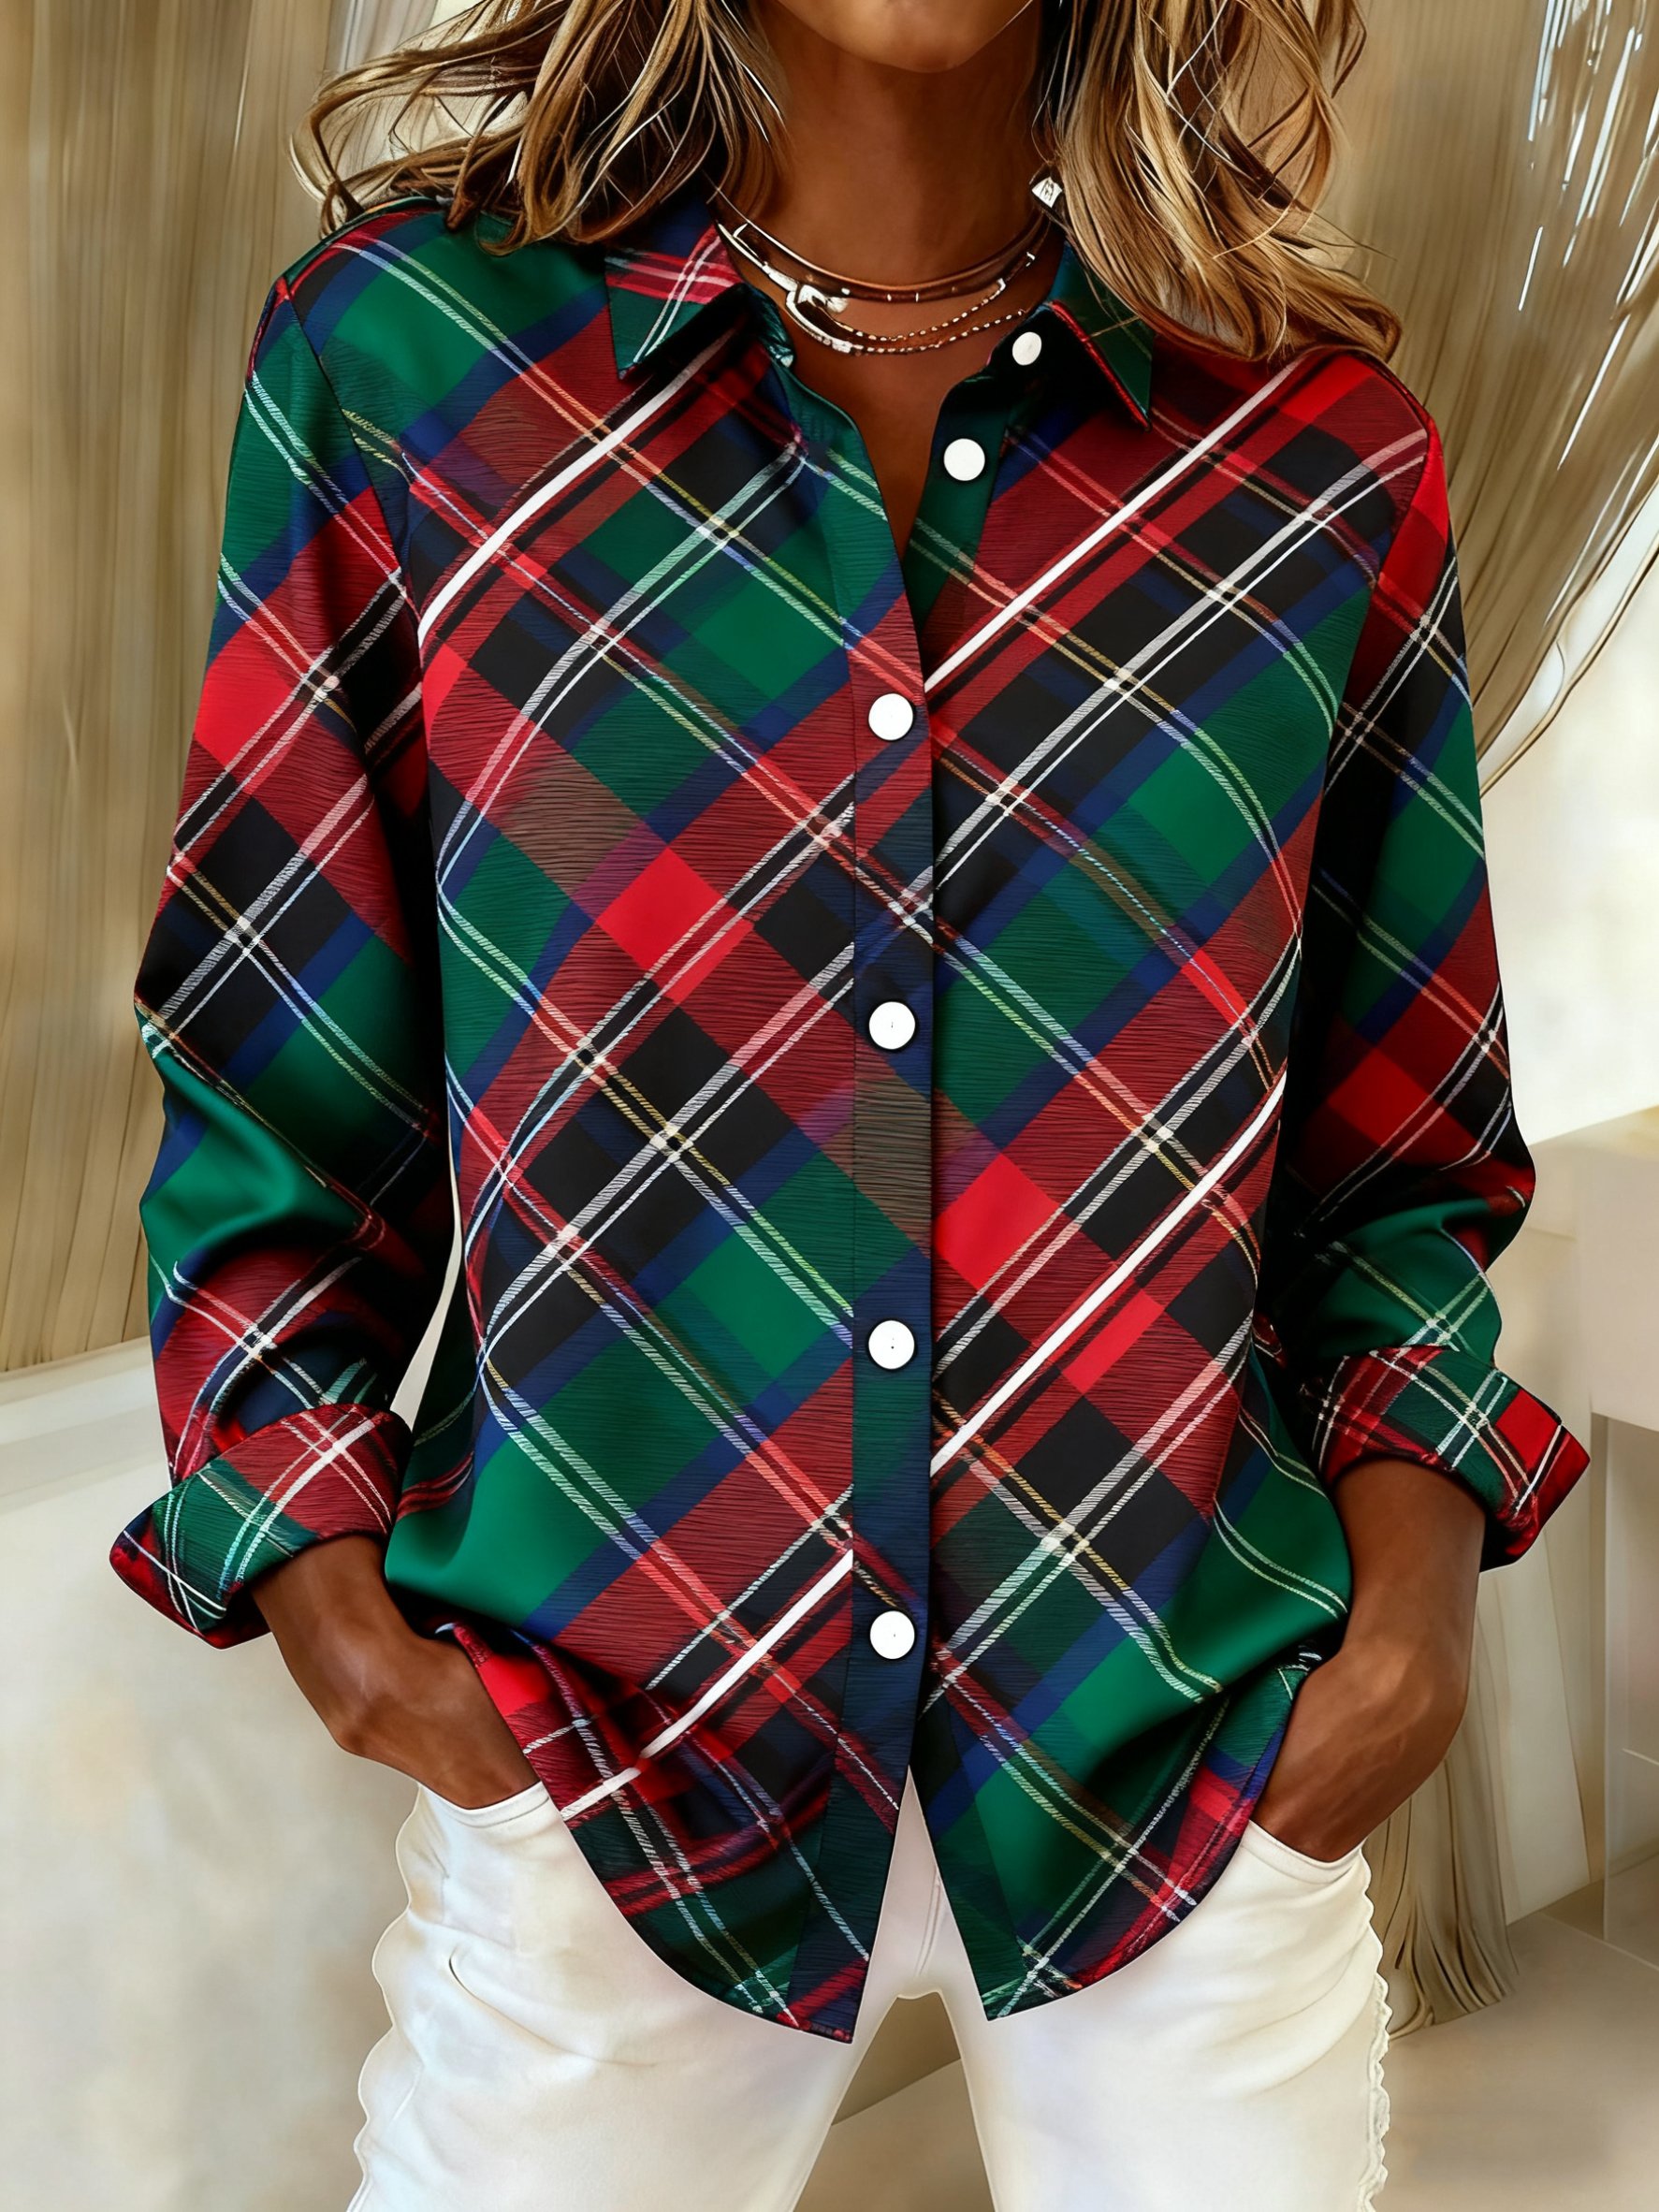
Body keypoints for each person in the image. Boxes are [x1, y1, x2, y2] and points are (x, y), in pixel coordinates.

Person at [110, 2, 1591, 2206]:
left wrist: (1410, 1636)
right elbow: (280, 1061)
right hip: (610, 1755)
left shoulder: (1307, 456)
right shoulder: (411, 372)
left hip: (1176, 1751)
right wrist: (332, 1603)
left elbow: (1394, 1155)